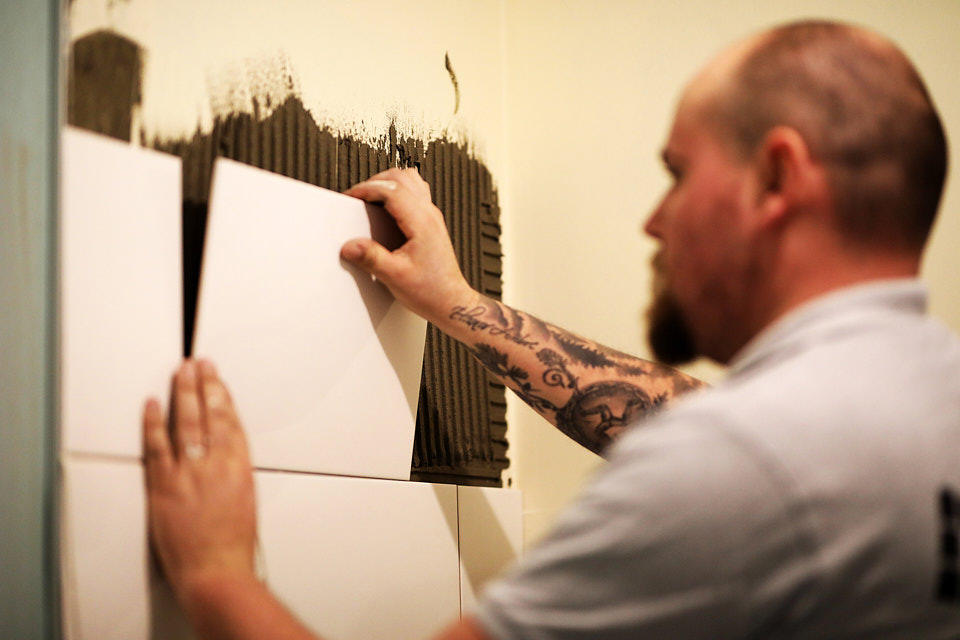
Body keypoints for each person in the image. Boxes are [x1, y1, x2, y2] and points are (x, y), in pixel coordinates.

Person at [142, 19, 960, 639]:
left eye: (677, 173)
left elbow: (729, 452)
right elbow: (686, 416)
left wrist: (215, 576)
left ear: (778, 176)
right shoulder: (918, 405)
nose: (655, 219)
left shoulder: (740, 468)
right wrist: (460, 303)